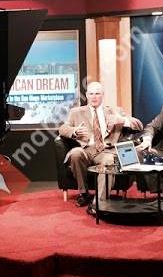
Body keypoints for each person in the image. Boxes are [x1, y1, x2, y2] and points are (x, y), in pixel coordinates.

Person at [59, 82, 143, 210]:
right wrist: (74, 131)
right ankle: (84, 193)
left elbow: (139, 125)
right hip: (86, 150)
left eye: (97, 93)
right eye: (91, 93)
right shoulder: (76, 112)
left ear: (103, 95)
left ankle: (98, 203)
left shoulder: (115, 111)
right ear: (86, 95)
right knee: (75, 153)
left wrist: (122, 120)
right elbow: (62, 129)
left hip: (106, 151)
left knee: (108, 161)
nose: (94, 97)